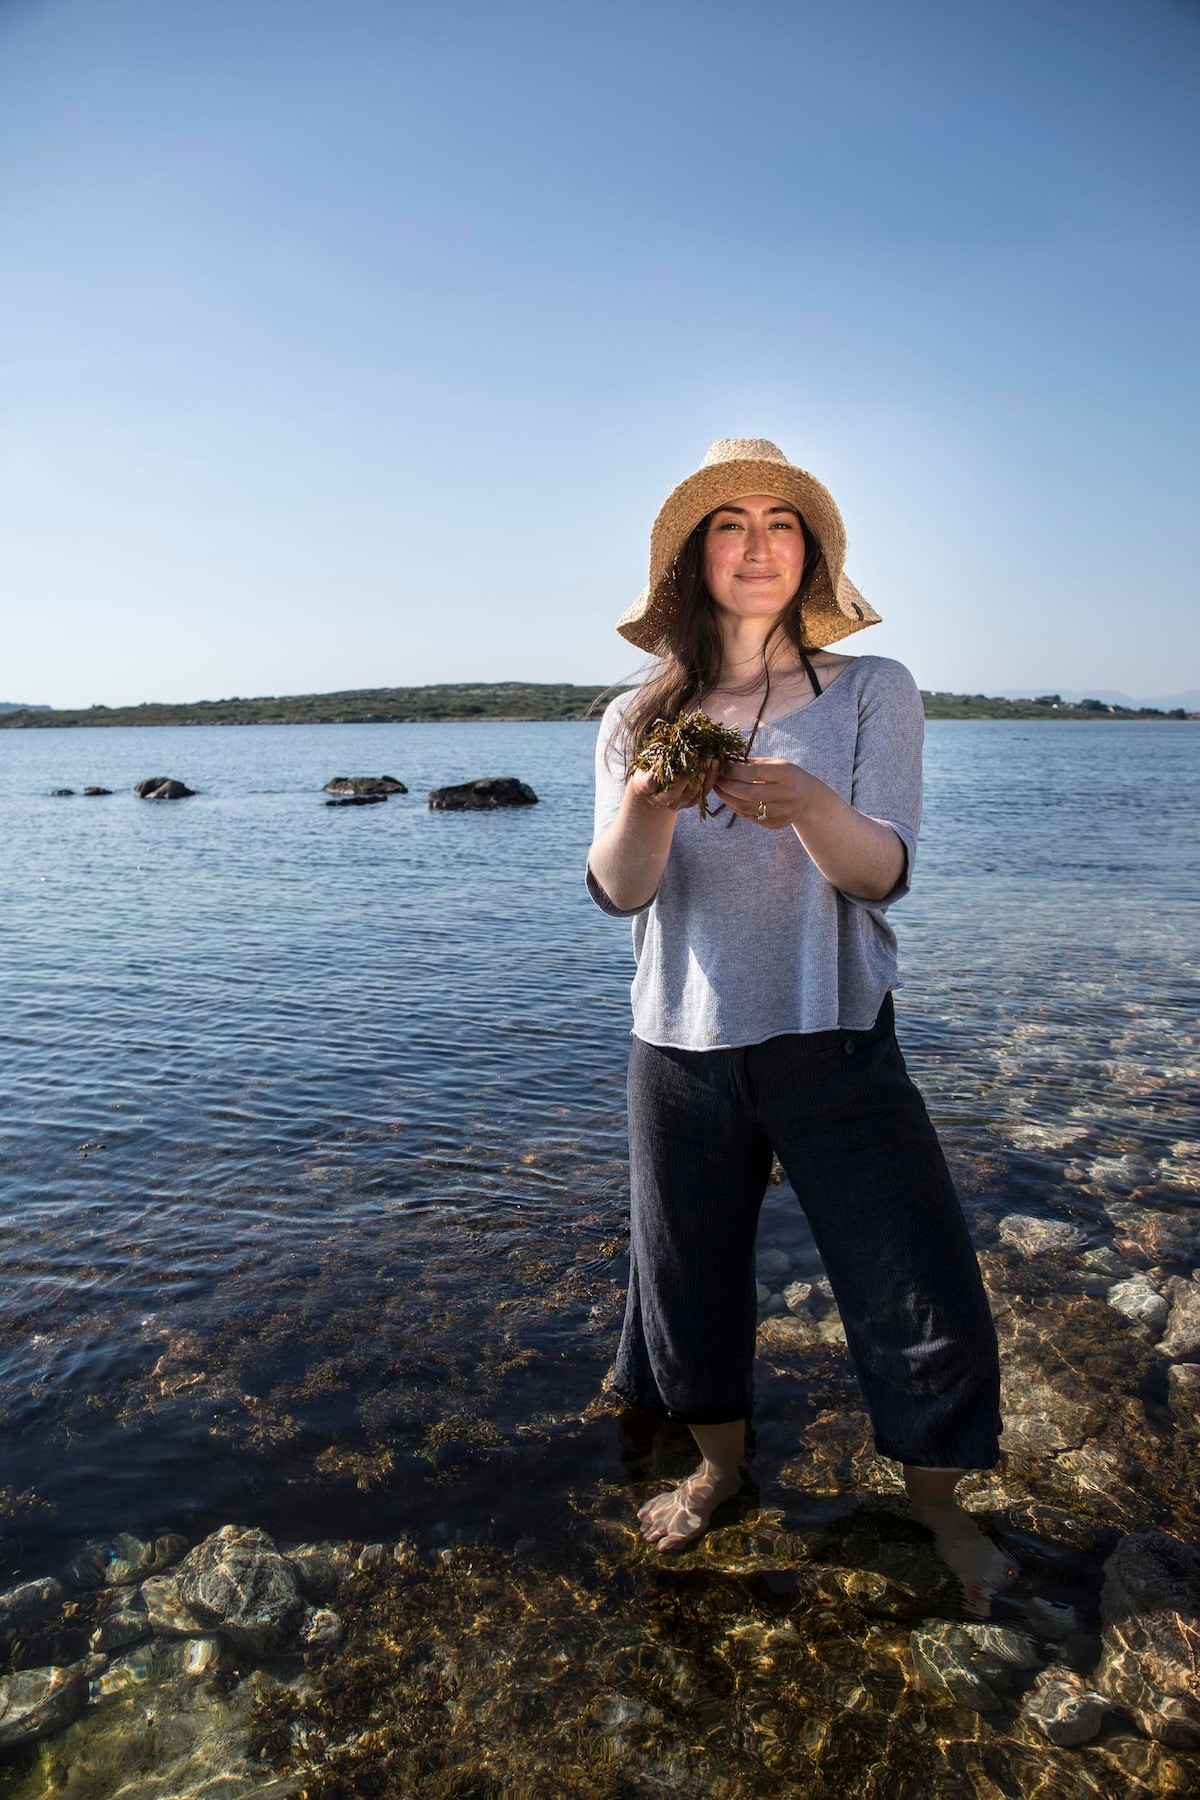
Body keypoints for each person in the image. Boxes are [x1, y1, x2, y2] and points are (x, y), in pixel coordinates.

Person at [586, 438, 1016, 1617]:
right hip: (678, 1043)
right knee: (686, 1281)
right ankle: (722, 1470)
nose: (760, 542)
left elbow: (883, 875)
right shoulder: (636, 716)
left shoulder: (872, 690)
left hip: (834, 1031)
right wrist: (642, 805)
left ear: (810, 553)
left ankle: (941, 1502)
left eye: (783, 522)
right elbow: (619, 892)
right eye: (732, 523)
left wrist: (818, 808)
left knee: (913, 1276)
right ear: (694, 559)